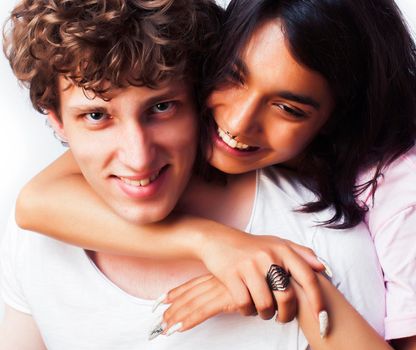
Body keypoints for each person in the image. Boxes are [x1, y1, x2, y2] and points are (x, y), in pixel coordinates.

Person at [0, 0, 393, 349]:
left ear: (198, 95)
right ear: (57, 122)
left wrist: (297, 288)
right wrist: (212, 242)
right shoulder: (37, 238)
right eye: (97, 115)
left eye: (162, 107)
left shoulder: (321, 244)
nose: (137, 158)